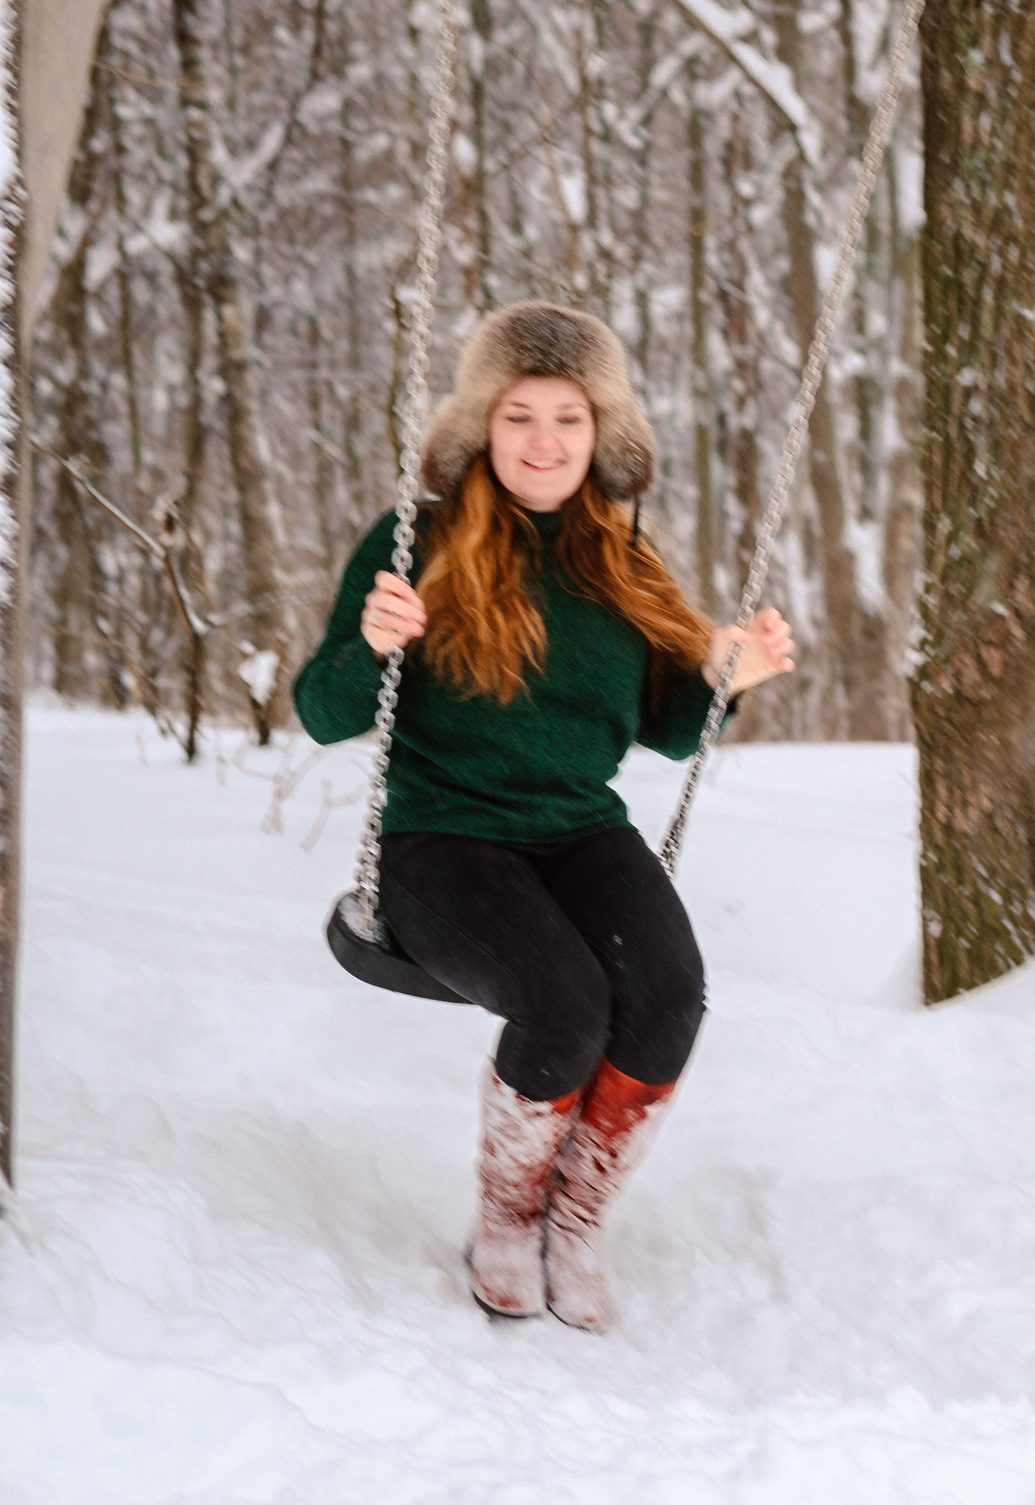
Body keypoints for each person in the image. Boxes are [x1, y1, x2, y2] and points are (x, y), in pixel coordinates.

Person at [293, 301, 796, 1330]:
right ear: (482, 424)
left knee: (667, 992)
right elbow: (320, 708)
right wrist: (373, 644)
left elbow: (666, 729)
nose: (544, 441)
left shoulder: (620, 559)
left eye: (568, 418)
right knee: (563, 1001)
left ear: (600, 433)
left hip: (576, 826)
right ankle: (508, 1217)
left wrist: (723, 675)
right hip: (442, 833)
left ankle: (577, 1216)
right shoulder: (411, 540)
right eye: (520, 414)